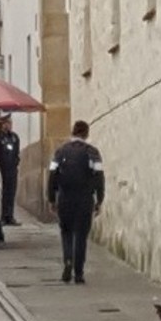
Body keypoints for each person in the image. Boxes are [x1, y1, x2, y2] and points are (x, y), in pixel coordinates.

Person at [47, 120, 105, 284]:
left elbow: (52, 175)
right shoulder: (92, 152)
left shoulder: (60, 152)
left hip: (65, 197)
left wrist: (52, 198)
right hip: (84, 198)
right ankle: (78, 272)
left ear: (73, 132)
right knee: (81, 235)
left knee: (66, 232)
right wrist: (99, 199)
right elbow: (99, 177)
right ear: (86, 134)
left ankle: (68, 261)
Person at [0, 114, 21, 225]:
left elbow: (16, 153)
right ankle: (1, 216)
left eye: (10, 123)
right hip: (2, 170)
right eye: (7, 123)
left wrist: (16, 163)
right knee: (2, 193)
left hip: (12, 169)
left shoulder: (14, 137)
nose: (9, 125)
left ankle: (10, 216)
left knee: (11, 193)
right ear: (1, 125)